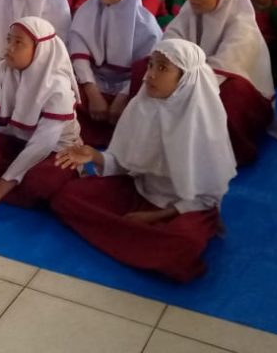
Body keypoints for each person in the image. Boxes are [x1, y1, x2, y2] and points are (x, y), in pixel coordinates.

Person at [53, 40, 237, 283]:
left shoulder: (202, 121)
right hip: (140, 189)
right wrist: (95, 155)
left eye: (162, 68)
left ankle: (131, 236)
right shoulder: (142, 104)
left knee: (183, 243)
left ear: (185, 78)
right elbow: (124, 164)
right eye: (151, 65)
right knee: (67, 197)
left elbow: (206, 197)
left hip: (183, 207)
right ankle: (138, 242)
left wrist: (152, 217)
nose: (149, 75)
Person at [0, 17, 81, 218]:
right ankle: (14, 188)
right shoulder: (3, 69)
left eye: (18, 42)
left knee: (42, 181)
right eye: (9, 39)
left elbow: (41, 146)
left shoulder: (58, 87)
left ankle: (1, 185)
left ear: (40, 49)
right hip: (15, 140)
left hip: (52, 152)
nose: (9, 48)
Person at [162, 0, 277, 165]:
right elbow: (168, 43)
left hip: (231, 90)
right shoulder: (190, 11)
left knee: (232, 93)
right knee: (148, 68)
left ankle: (222, 153)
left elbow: (223, 67)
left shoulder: (243, 27)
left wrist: (179, 84)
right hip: (190, 81)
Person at [69, 0, 163, 146]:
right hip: (93, 82)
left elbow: (146, 70)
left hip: (130, 86)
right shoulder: (87, 12)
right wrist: (93, 94)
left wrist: (122, 97)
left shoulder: (147, 25)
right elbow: (79, 57)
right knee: (65, 91)